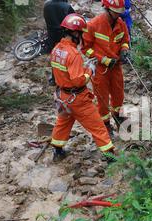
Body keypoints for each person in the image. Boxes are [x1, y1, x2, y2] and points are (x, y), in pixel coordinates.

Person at [50, 13, 117, 162]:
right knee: (97, 126)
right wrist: (90, 70)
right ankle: (110, 155)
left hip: (63, 96)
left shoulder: (56, 50)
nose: (81, 38)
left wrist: (83, 68)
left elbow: (61, 73)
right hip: (78, 99)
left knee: (63, 123)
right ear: (75, 33)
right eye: (80, 34)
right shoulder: (73, 54)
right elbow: (78, 81)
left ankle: (57, 150)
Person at [82, 0, 130, 136]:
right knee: (102, 98)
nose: (118, 15)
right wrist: (103, 59)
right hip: (100, 69)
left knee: (118, 94)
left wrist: (124, 50)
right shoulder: (93, 25)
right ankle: (105, 124)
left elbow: (125, 40)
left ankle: (118, 116)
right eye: (116, 12)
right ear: (107, 9)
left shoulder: (120, 23)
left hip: (116, 66)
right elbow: (86, 49)